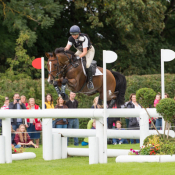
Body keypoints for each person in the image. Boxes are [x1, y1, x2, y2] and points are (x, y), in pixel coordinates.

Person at [64, 25, 95, 89]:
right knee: (71, 60)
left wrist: (78, 57)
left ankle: (90, 82)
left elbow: (85, 52)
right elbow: (67, 47)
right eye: (72, 34)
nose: (74, 36)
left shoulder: (84, 38)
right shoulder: (71, 38)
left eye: (75, 34)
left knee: (87, 65)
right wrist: (63, 50)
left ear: (79, 33)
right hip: (80, 51)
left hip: (89, 51)